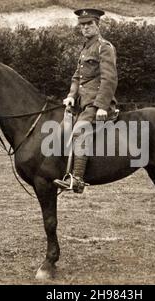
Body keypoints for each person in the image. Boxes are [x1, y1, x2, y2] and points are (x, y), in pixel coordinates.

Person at [53, 8, 118, 193]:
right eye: (83, 25)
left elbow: (109, 79)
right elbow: (76, 77)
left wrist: (101, 106)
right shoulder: (85, 48)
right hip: (82, 103)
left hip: (96, 104)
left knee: (80, 130)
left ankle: (78, 179)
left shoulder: (103, 47)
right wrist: (71, 95)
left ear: (98, 25)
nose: (86, 28)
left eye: (89, 24)